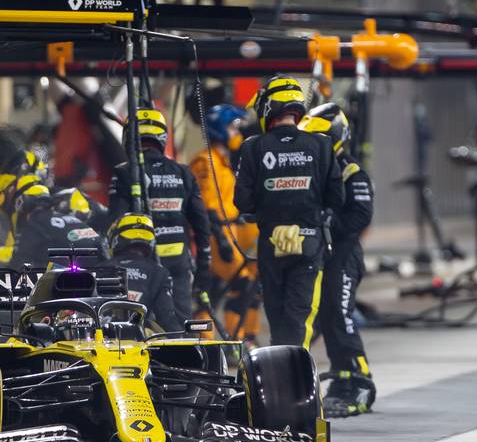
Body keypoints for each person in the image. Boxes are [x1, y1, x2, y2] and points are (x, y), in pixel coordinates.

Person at [234, 77, 343, 348]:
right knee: (300, 320)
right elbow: (337, 198)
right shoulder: (321, 145)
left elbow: (242, 201)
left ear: (268, 106)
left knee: (279, 323)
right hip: (309, 245)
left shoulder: (252, 147)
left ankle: (281, 382)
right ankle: (297, 382)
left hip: (271, 247)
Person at [300, 103, 376, 417]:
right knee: (326, 317)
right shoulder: (317, 171)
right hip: (325, 255)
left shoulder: (351, 171)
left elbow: (361, 214)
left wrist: (327, 224)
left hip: (344, 255)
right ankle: (341, 382)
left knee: (341, 317)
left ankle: (359, 382)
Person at [109, 108, 214, 323]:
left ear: (128, 137)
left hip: (140, 262)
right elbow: (202, 224)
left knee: (135, 324)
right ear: (162, 138)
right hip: (178, 262)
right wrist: (204, 265)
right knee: (179, 326)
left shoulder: (125, 172)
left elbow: (115, 221)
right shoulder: (183, 172)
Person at [191, 104, 261, 341]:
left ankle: (217, 338)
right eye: (232, 128)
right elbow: (207, 204)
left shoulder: (223, 161)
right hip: (217, 233)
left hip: (231, 230)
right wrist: (220, 240)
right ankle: (236, 339)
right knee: (242, 285)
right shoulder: (205, 162)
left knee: (214, 290)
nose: (237, 133)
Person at [7, 175, 102, 269]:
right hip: (100, 265)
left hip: (73, 274)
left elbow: (17, 264)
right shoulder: (69, 219)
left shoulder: (34, 223)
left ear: (22, 203)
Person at [107, 213, 179, 332]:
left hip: (101, 341)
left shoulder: (100, 268)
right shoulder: (159, 272)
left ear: (115, 238)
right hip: (139, 343)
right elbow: (167, 319)